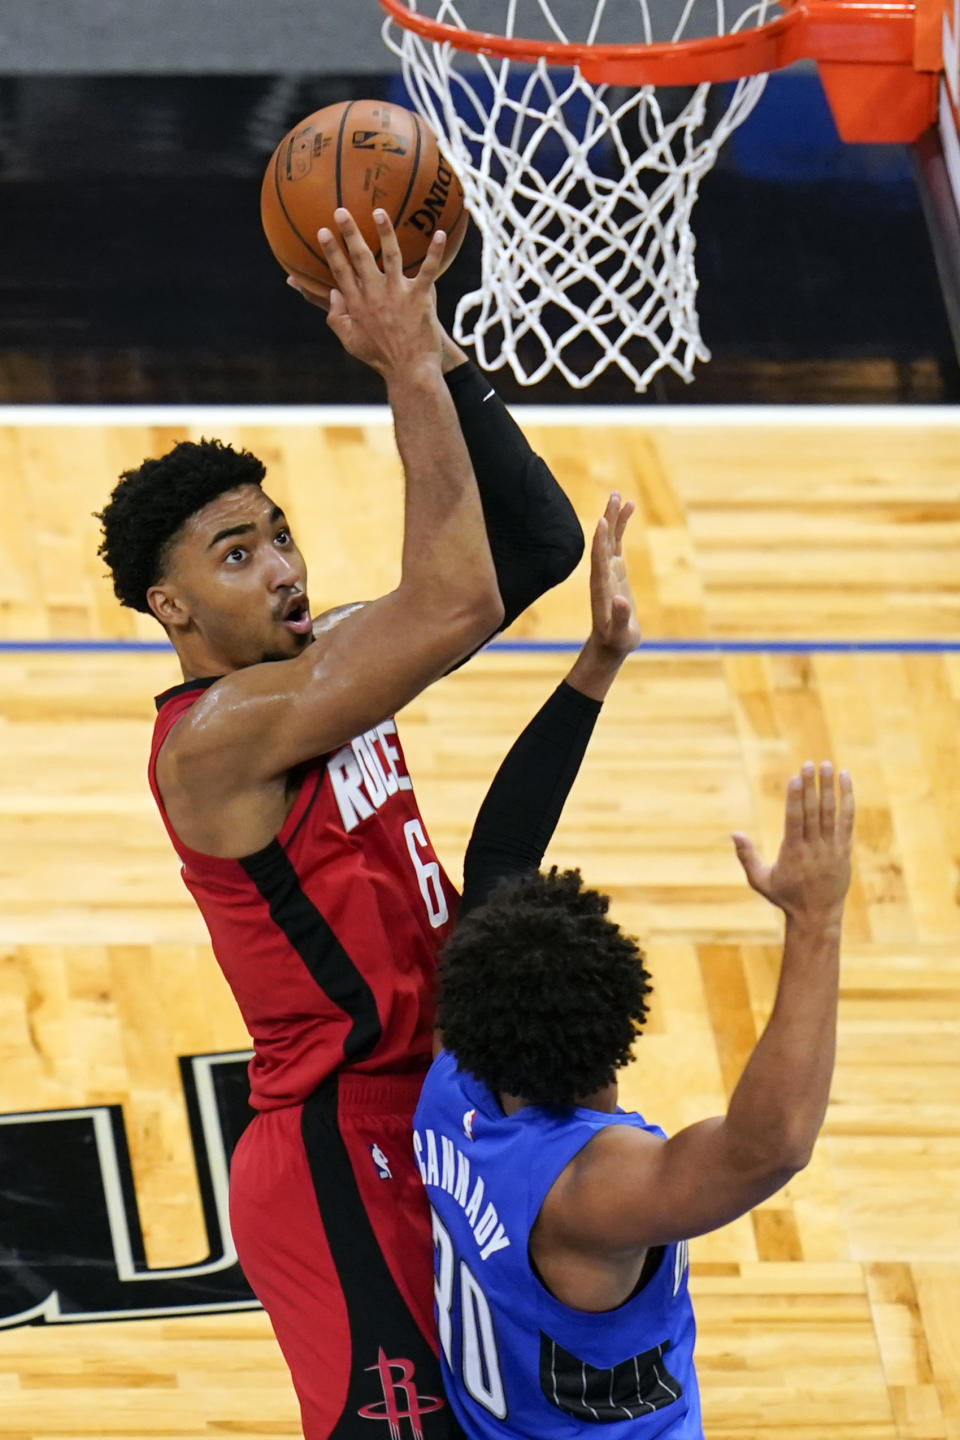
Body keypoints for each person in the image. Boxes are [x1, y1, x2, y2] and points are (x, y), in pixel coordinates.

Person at [95, 208, 583, 1440]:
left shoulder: (334, 664)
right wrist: (403, 363)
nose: (282, 568)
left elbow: (533, 547)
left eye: (281, 536)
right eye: (237, 553)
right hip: (336, 1142)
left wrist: (444, 363)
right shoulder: (214, 741)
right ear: (173, 606)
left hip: (449, 1109)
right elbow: (458, 592)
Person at [414, 513, 855, 1439]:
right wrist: (814, 923)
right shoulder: (590, 1190)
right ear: (621, 1022)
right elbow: (767, 1144)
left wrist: (596, 665)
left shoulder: (453, 1074)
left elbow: (499, 853)